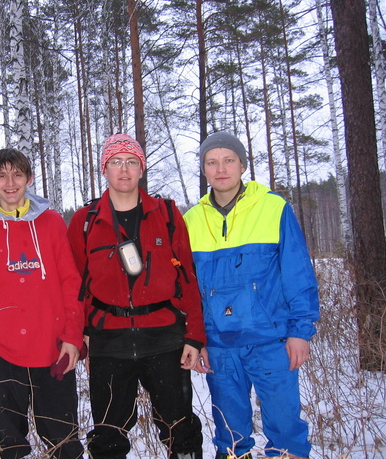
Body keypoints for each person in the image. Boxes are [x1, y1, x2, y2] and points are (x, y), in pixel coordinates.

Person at [67, 133, 207, 459]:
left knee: (180, 429)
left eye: (131, 161)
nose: (124, 170)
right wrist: (81, 334)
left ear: (141, 169)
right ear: (105, 168)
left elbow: (188, 280)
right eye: (116, 162)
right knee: (108, 437)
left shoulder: (168, 215)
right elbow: (75, 286)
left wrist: (194, 336)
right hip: (108, 339)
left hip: (164, 337)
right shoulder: (85, 222)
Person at [183, 132, 320, 459]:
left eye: (228, 160)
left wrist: (300, 332)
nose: (221, 169)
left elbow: (297, 273)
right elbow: (188, 291)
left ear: (243, 165)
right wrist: (197, 338)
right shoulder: (191, 221)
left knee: (286, 431)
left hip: (271, 341)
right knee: (230, 437)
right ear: (204, 170)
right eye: (212, 162)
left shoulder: (273, 208)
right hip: (220, 347)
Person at [0, 148, 85, 459]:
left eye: (17, 174)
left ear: (28, 179)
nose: (10, 182)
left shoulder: (52, 223)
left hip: (53, 352)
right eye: (2, 175)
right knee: (9, 447)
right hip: (2, 355)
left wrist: (71, 337)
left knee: (63, 443)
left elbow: (72, 283)